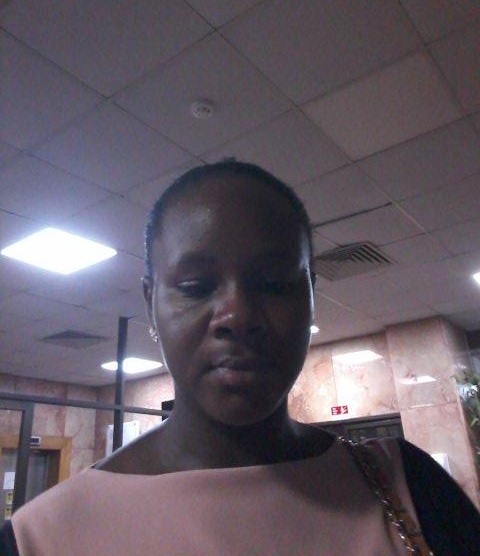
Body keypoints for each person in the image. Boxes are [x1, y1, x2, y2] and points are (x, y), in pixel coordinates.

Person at [1, 159, 479, 555]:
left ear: (311, 296)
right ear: (151, 304)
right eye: (195, 287)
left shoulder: (409, 486)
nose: (238, 315)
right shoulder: (40, 537)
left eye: (273, 283)